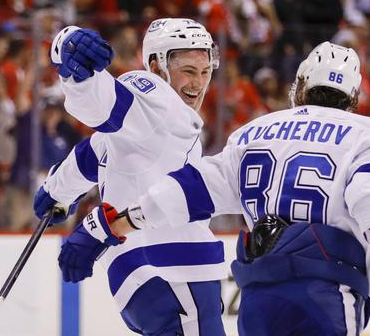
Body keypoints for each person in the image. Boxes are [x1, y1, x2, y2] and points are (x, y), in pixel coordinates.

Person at [111, 42, 370, 335]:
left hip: (259, 296)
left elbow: (193, 186)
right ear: (354, 97)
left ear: (302, 86)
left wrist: (118, 224)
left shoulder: (254, 130)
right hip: (327, 288)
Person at [34, 19, 227, 335]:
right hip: (174, 270)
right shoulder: (156, 98)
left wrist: (57, 191)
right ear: (156, 65)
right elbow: (105, 103)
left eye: (205, 73)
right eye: (189, 71)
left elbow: (91, 155)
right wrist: (73, 64)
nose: (199, 84)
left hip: (134, 278)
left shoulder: (138, 127)